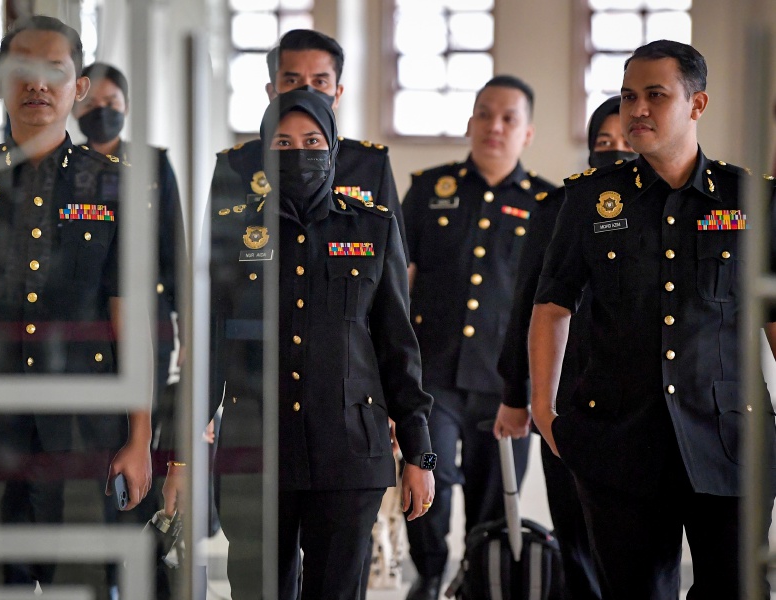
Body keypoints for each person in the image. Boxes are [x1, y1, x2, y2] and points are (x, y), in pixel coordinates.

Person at [0, 16, 152, 598]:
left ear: (80, 87)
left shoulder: (111, 184)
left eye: (54, 71)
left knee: (85, 581)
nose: (37, 85)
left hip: (86, 425)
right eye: (22, 70)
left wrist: (140, 436)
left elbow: (128, 318)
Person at [530, 39, 776, 599]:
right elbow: (551, 307)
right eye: (628, 96)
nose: (637, 108)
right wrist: (546, 411)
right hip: (619, 440)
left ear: (697, 104)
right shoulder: (592, 200)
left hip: (730, 437)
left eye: (655, 95)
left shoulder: (750, 200)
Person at [209, 88, 435, 599]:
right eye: (284, 143)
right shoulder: (234, 232)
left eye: (312, 140)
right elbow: (210, 351)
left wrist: (420, 454)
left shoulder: (373, 229)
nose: (299, 153)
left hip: (349, 452)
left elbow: (398, 347)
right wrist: (178, 455)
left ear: (332, 147)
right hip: (254, 451)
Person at [401, 75, 555, 600]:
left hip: (504, 382)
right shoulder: (428, 188)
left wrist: (539, 389)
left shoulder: (547, 204)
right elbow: (401, 284)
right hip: (432, 379)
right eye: (485, 114)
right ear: (470, 122)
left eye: (509, 117)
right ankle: (429, 573)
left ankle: (477, 581)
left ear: (527, 133)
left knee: (495, 496)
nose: (495, 126)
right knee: (429, 483)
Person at [493, 95, 636, 600]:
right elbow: (527, 307)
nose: (615, 152)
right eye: (603, 143)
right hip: (569, 396)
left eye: (625, 143)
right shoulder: (560, 208)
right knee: (575, 533)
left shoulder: (673, 207)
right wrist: (518, 392)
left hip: (642, 404)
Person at [72, 61, 186, 600]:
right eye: (91, 102)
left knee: (142, 451)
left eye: (112, 100)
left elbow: (176, 256)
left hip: (149, 327)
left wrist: (186, 340)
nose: (102, 111)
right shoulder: (62, 169)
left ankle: (146, 574)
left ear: (128, 104)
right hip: (84, 336)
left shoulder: (153, 165)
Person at [210, 28, 408, 258]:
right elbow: (215, 259)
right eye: (292, 80)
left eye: (320, 81)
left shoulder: (369, 162)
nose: (306, 92)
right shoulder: (236, 163)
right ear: (272, 92)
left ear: (337, 94)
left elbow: (394, 256)